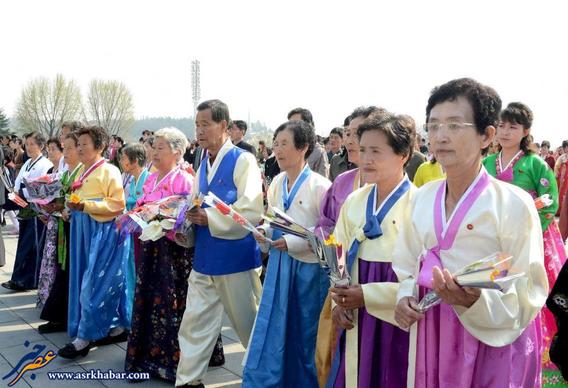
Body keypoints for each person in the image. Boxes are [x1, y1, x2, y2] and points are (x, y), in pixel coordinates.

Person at [393, 78, 547, 387]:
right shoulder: (422, 197)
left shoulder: (513, 203)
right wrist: (405, 296)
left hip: (492, 337)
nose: (440, 136)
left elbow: (528, 287)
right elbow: (407, 262)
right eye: (433, 125)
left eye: (454, 125)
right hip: (432, 328)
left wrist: (473, 302)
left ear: (485, 135)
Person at [176, 100, 263, 388]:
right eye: (197, 125)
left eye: (205, 124)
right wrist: (183, 224)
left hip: (235, 259)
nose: (199, 131)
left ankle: (263, 377)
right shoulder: (202, 163)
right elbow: (195, 203)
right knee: (194, 322)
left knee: (248, 324)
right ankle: (189, 380)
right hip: (204, 258)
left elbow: (251, 210)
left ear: (224, 126)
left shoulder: (243, 160)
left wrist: (209, 218)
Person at [126, 127, 223, 382]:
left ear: (177, 152)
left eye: (160, 148)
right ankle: (149, 356)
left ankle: (174, 360)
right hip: (151, 247)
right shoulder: (151, 176)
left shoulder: (185, 179)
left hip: (174, 252)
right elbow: (141, 203)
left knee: (175, 302)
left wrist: (165, 219)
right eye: (153, 147)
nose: (154, 152)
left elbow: (187, 215)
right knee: (150, 297)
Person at [328, 113, 416, 388]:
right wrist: (338, 301)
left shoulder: (418, 203)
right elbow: (337, 253)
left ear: (403, 154)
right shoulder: (354, 200)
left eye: (376, 151)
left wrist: (366, 295)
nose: (366, 159)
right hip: (355, 312)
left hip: (393, 316)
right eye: (363, 149)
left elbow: (420, 276)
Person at [483, 102, 567, 385]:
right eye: (502, 126)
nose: (506, 132)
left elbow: (549, 202)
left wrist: (526, 227)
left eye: (513, 127)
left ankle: (540, 357)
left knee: (534, 294)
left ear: (526, 131)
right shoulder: (484, 164)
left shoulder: (535, 164)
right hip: (492, 240)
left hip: (533, 240)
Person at [242, 120, 331, 386]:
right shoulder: (278, 182)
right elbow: (273, 219)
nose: (277, 151)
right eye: (275, 144)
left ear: (303, 147)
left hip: (308, 268)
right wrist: (264, 233)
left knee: (306, 329)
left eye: (284, 144)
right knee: (276, 324)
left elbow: (328, 231)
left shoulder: (320, 186)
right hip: (281, 264)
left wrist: (293, 242)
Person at [314, 105, 387, 385]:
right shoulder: (343, 180)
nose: (353, 140)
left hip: (377, 284)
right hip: (341, 277)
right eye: (350, 132)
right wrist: (329, 243)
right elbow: (325, 221)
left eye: (361, 133)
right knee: (334, 350)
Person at [59, 125, 131, 359]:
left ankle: (85, 337)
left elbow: (118, 204)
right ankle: (117, 325)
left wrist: (86, 206)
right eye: (77, 144)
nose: (79, 149)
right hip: (82, 230)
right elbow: (77, 196)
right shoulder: (82, 170)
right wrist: (69, 208)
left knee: (94, 282)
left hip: (102, 231)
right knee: (85, 278)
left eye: (84, 144)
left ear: (99, 147)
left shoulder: (109, 170)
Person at [37, 131, 83, 334]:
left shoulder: (82, 172)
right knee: (63, 271)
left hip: (75, 229)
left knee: (70, 273)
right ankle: (59, 316)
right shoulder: (66, 173)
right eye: (66, 148)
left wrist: (60, 208)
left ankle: (65, 317)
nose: (67, 152)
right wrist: (50, 205)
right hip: (63, 228)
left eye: (71, 148)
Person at [1, 132, 53, 291]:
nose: (29, 147)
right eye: (27, 144)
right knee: (24, 245)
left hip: (36, 208)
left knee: (32, 246)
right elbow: (18, 184)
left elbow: (42, 189)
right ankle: (19, 278)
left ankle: (26, 280)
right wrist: (15, 195)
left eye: (32, 144)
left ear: (41, 146)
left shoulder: (45, 164)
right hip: (24, 206)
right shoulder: (28, 162)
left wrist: (22, 194)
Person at [288, 107, 330, 178]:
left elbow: (323, 185)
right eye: (290, 125)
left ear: (309, 126)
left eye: (296, 125)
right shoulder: (288, 151)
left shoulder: (319, 153)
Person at [555, 140, 568, 215]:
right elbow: (556, 167)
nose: (566, 148)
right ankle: (560, 211)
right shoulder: (562, 157)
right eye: (565, 147)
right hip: (563, 178)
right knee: (562, 194)